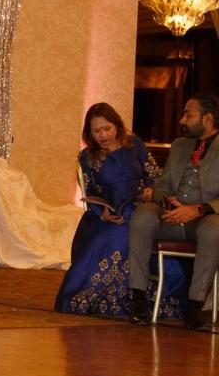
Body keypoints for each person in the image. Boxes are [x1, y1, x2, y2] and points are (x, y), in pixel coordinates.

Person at [54, 103, 163, 318]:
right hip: (107, 213)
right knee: (110, 235)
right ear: (89, 132)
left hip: (141, 210)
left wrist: (152, 190)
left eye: (107, 129)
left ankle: (139, 297)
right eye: (96, 131)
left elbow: (155, 174)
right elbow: (90, 191)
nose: (103, 135)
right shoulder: (88, 157)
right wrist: (100, 211)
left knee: (132, 230)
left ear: (117, 126)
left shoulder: (134, 145)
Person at [129, 93, 219, 330]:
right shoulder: (180, 145)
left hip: (204, 221)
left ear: (207, 118)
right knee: (144, 214)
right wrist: (167, 201)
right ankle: (137, 298)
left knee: (214, 228)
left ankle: (195, 305)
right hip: (171, 217)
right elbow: (162, 184)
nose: (182, 120)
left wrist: (197, 209)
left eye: (188, 114)